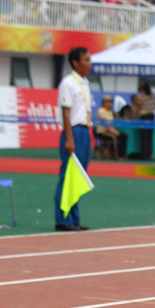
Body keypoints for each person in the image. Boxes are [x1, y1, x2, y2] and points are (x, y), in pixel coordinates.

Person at [54, 46, 93, 232]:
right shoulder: (68, 83)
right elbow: (66, 113)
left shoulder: (85, 82)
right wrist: (69, 139)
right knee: (67, 175)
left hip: (85, 131)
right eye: (86, 60)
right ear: (76, 62)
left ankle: (74, 218)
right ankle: (62, 218)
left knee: (79, 176)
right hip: (74, 132)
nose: (89, 63)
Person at [94, 94, 127, 160]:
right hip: (101, 132)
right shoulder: (101, 111)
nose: (110, 104)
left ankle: (122, 155)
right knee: (114, 137)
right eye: (108, 102)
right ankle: (116, 156)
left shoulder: (110, 112)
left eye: (110, 102)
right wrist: (115, 132)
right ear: (104, 102)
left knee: (124, 135)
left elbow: (112, 123)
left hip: (109, 131)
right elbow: (106, 125)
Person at [136, 80, 155, 160]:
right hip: (151, 116)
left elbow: (138, 108)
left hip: (144, 117)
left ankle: (144, 155)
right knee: (149, 136)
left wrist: (137, 114)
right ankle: (149, 154)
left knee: (144, 136)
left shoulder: (141, 97)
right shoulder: (153, 96)